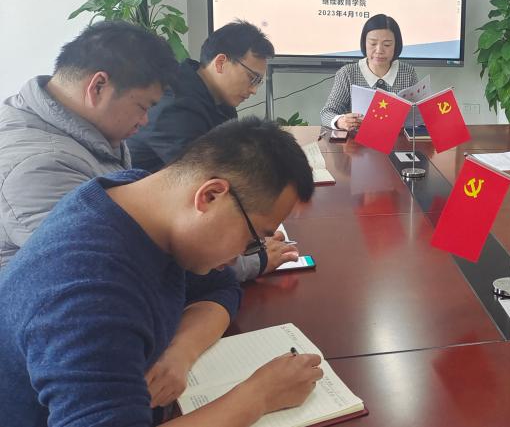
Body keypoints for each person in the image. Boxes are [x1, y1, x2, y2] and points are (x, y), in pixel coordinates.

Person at [0, 118, 321, 426]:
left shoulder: (143, 202)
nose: (244, 254)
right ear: (210, 196)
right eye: (253, 239)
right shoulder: (88, 294)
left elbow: (221, 288)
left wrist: (180, 351)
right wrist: (259, 396)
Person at [127, 20, 296, 280]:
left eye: (259, 82)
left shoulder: (217, 101)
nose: (253, 90)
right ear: (220, 62)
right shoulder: (176, 105)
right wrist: (253, 251)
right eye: (251, 78)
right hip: (156, 242)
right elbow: (210, 184)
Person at [0, 21, 177, 268]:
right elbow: (108, 265)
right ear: (98, 87)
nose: (144, 121)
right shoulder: (40, 167)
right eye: (142, 107)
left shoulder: (91, 132)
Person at [320, 14, 419, 131]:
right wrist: (340, 121)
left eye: (387, 45)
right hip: (357, 140)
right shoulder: (348, 73)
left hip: (398, 140)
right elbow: (327, 112)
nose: (379, 50)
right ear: (364, 43)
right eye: (373, 43)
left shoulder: (408, 73)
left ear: (396, 45)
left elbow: (418, 114)